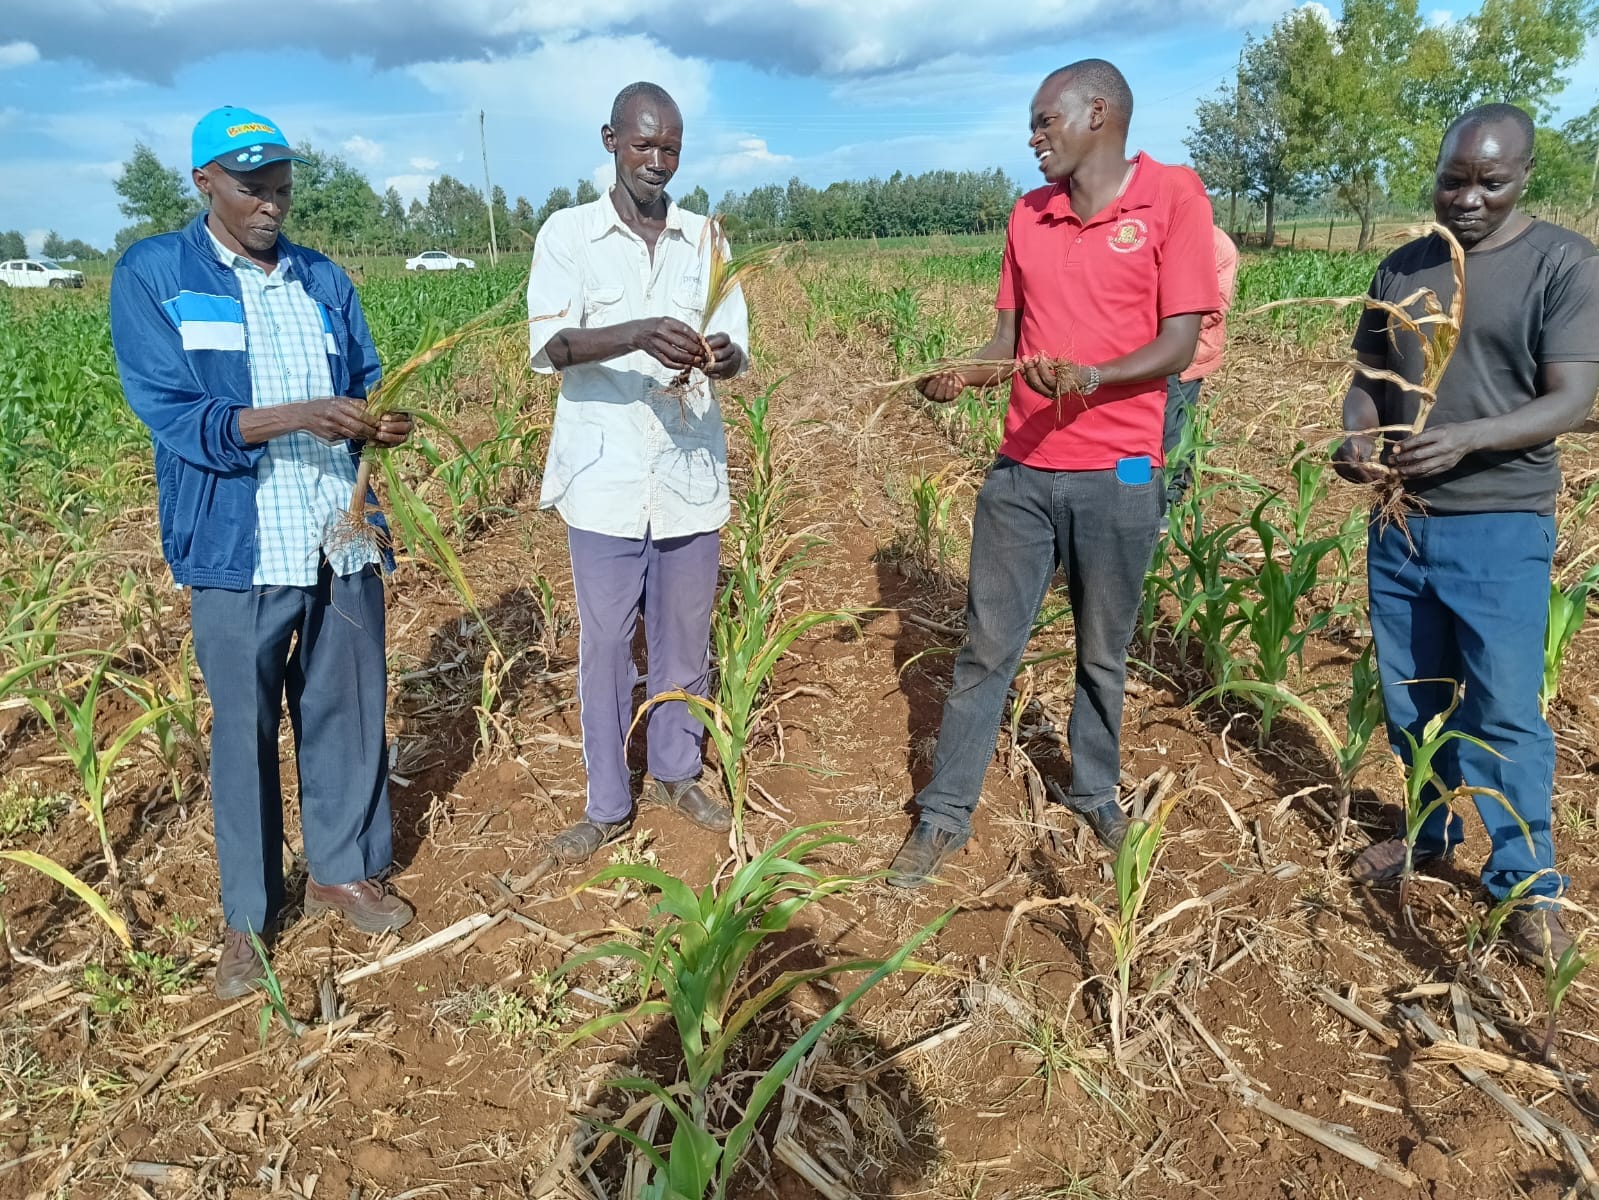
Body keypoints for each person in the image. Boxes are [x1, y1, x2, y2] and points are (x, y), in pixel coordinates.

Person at [889, 60, 1221, 887]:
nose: (1033, 138)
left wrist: (1089, 378)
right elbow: (1005, 341)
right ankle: (943, 814)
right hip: (1022, 472)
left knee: (1102, 650)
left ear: (1097, 113)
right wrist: (961, 375)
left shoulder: (1172, 197)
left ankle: (1094, 790)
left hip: (1121, 470)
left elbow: (1178, 344)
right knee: (985, 648)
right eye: (1032, 126)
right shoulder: (1027, 214)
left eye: (1046, 121)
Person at [110, 106, 416, 999]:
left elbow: (361, 383)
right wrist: (298, 417)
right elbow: (176, 416)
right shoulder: (156, 276)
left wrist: (374, 422)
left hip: (338, 535)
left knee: (347, 713)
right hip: (238, 546)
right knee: (243, 733)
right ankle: (248, 918)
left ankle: (341, 872)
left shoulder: (322, 279)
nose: (270, 205)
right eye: (251, 189)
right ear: (204, 182)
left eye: (280, 188)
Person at [1333, 103, 1599, 963]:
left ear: (1523, 177)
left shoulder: (1561, 263)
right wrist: (1354, 436)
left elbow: (1571, 399)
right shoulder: (1403, 265)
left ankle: (1526, 884)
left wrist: (1468, 439)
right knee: (1413, 699)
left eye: (1490, 182)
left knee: (1502, 711)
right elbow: (1368, 378)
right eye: (1453, 180)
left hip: (1499, 525)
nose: (1469, 198)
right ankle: (1427, 832)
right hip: (1401, 524)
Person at [526, 82, 750, 863]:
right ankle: (606, 802)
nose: (657, 161)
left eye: (670, 149)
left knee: (684, 637)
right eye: (643, 145)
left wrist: (719, 356)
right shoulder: (569, 234)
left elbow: (737, 347)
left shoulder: (706, 238)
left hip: (688, 473)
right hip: (604, 479)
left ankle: (676, 772)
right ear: (611, 140)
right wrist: (637, 334)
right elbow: (551, 347)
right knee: (607, 645)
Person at [1162, 218, 1237, 516]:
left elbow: (1217, 306)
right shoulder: (1160, 234)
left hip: (1188, 351)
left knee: (1174, 422)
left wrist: (1170, 326)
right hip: (1149, 349)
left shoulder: (1219, 246)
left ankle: (1171, 496)